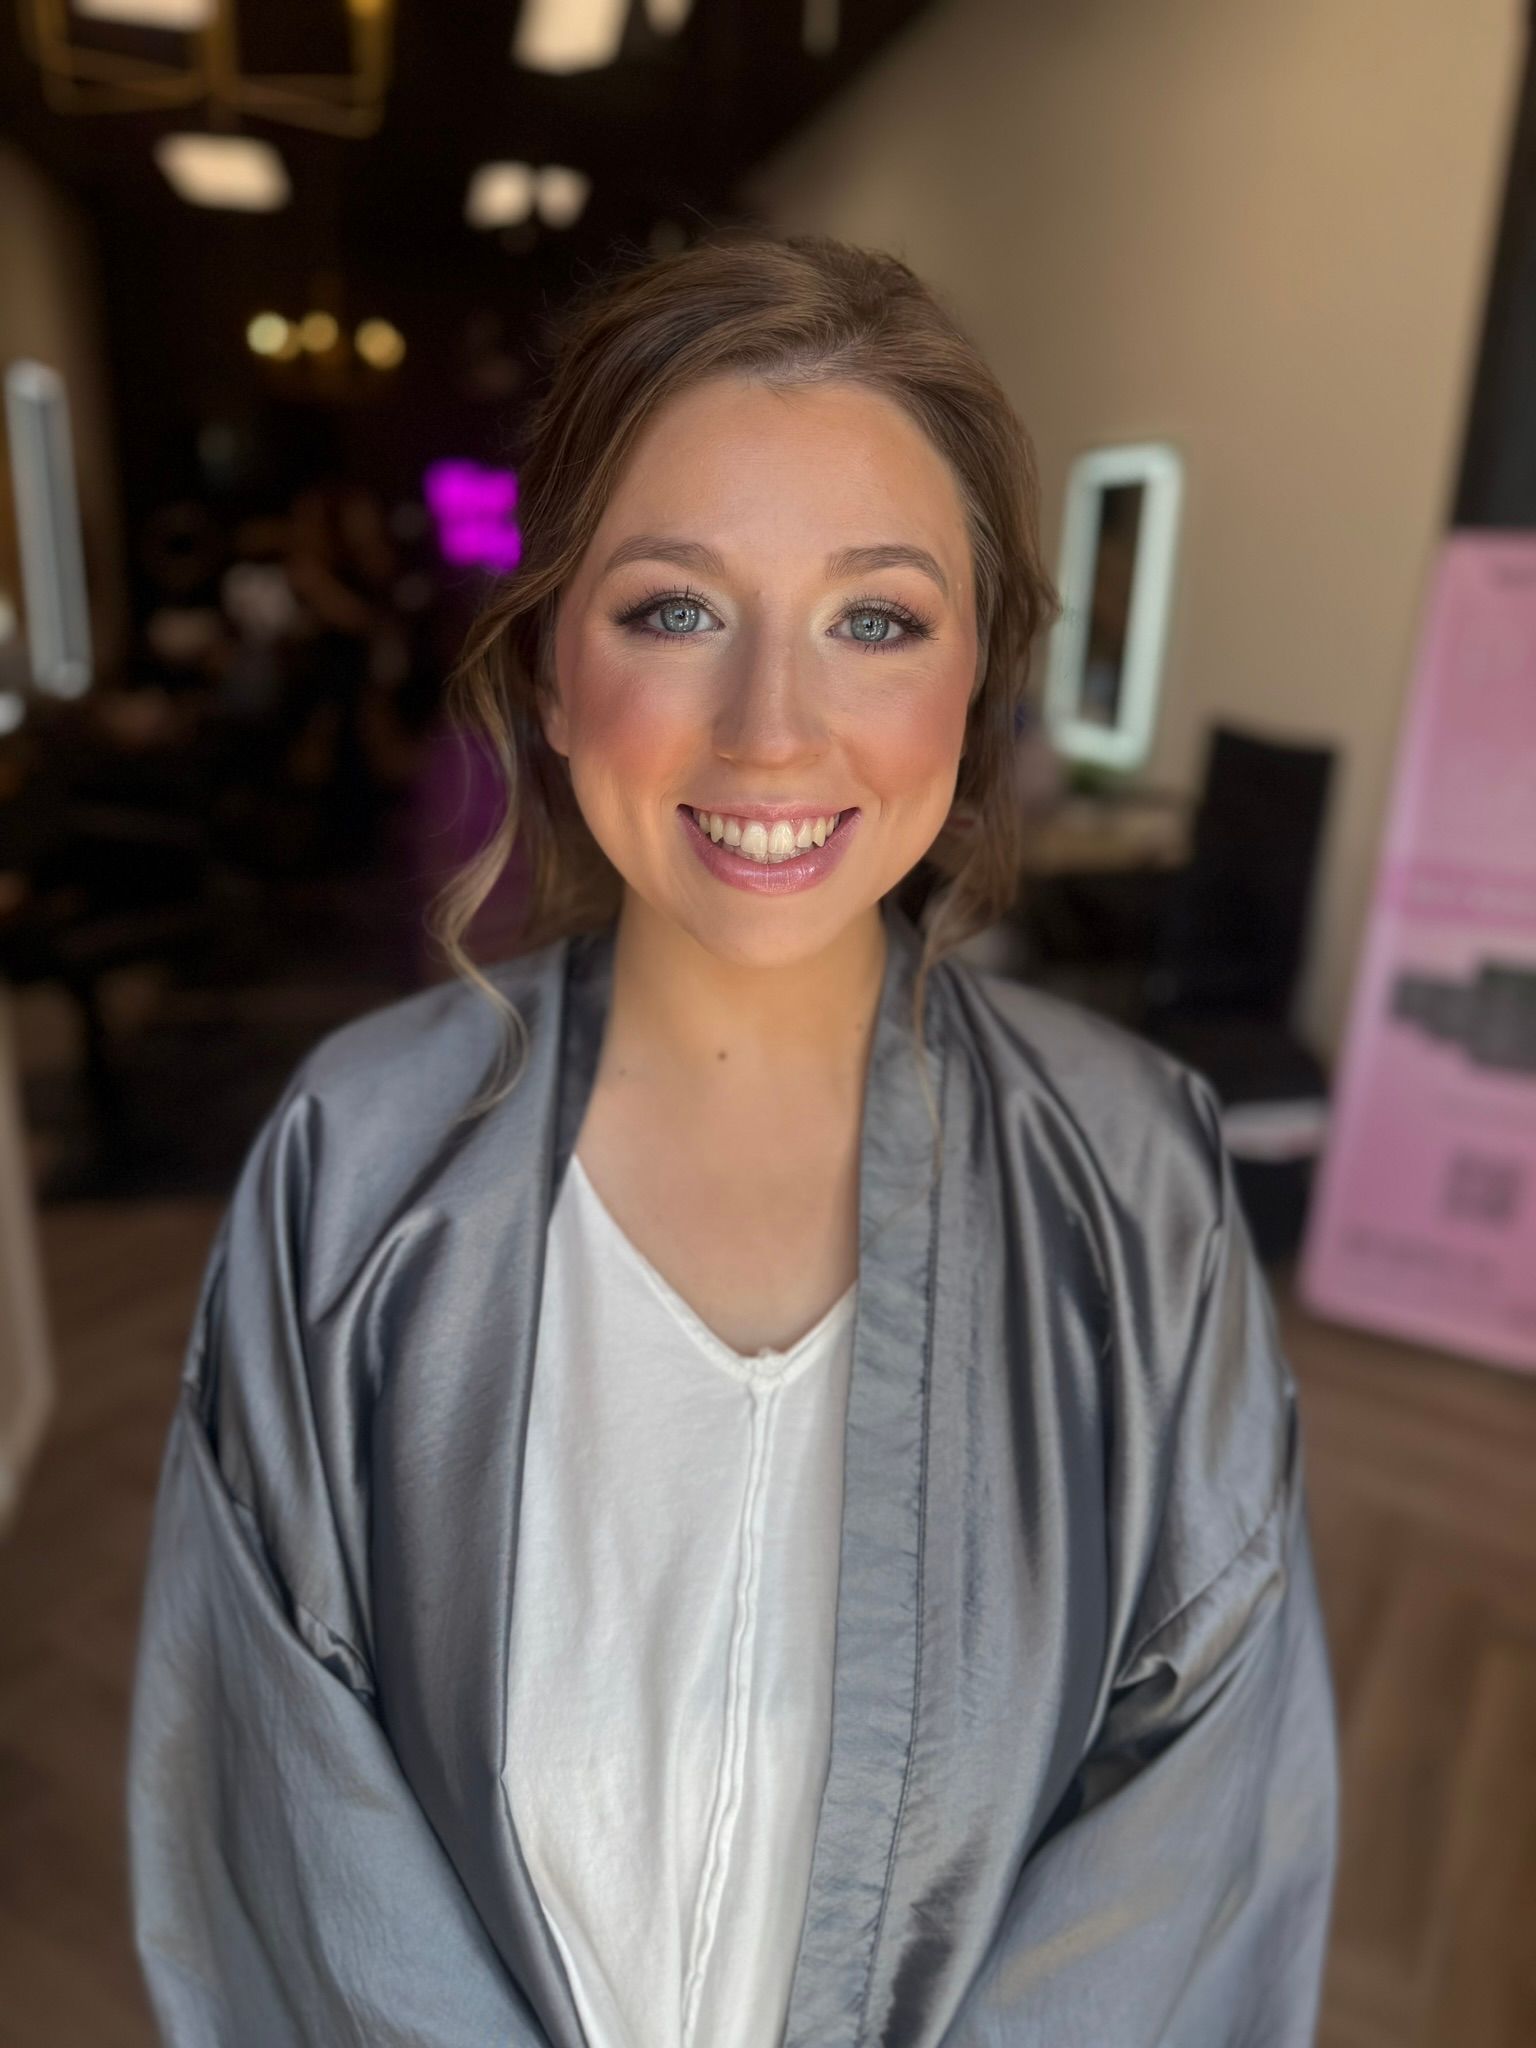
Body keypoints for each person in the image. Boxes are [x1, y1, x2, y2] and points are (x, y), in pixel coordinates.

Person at [126, 230, 1339, 2048]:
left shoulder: (1137, 1187)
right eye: (675, 610)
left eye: (876, 620)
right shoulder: (353, 1171)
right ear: (550, 670)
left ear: (977, 684)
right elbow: (294, 1852)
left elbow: (1191, 1860)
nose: (772, 732)